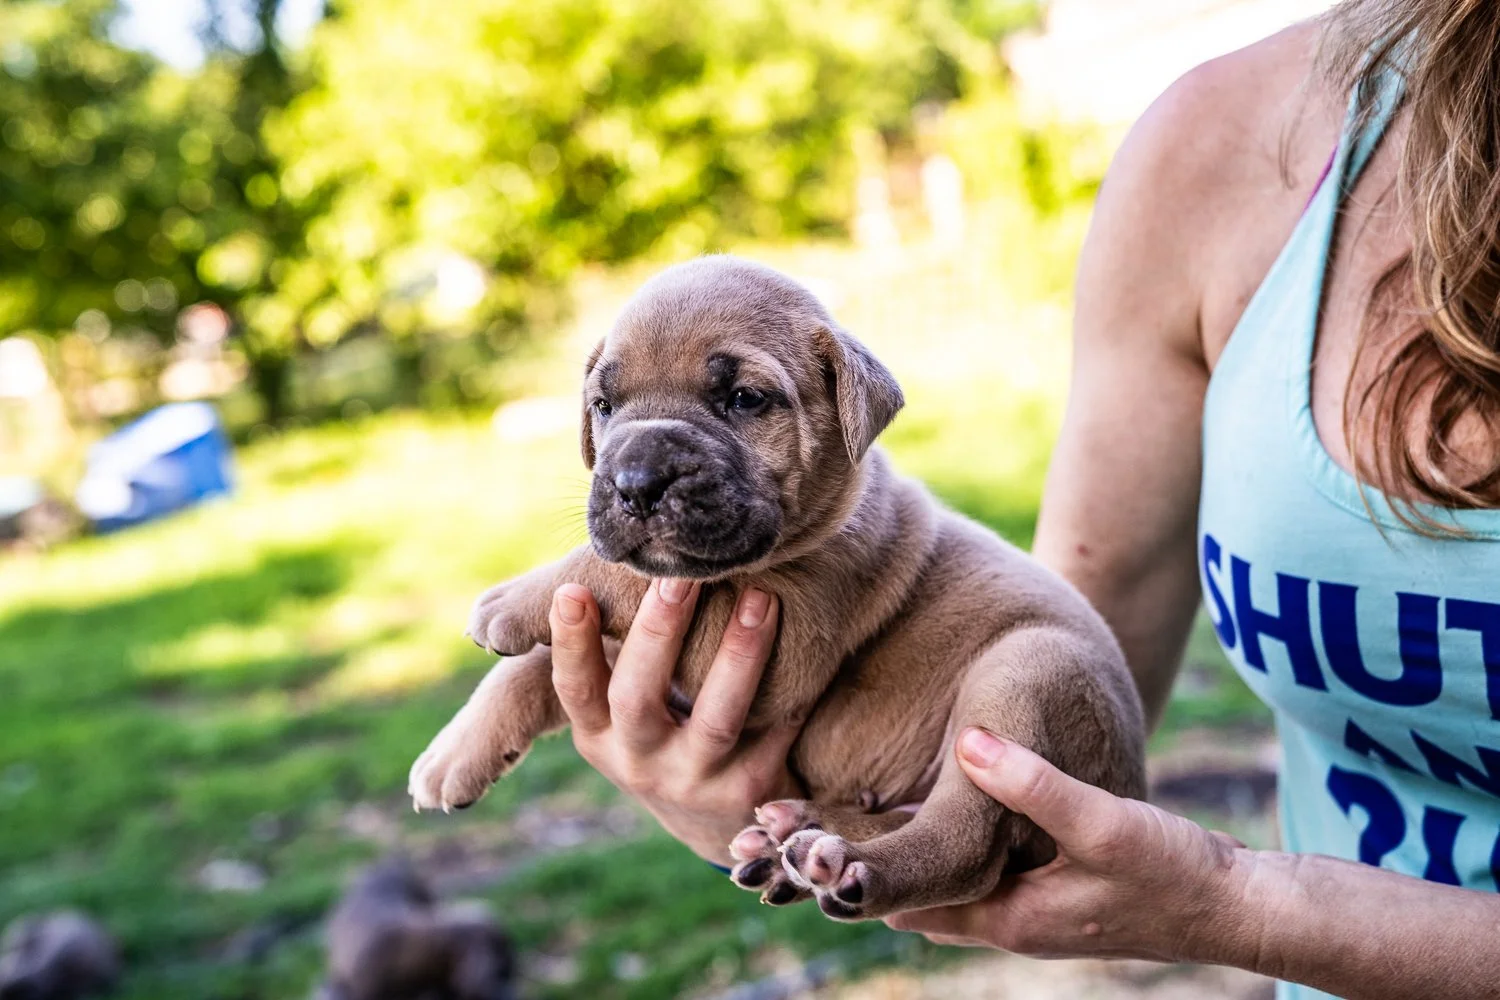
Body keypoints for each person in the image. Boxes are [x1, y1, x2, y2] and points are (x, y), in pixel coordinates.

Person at [540, 2, 1500, 997]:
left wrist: (1242, 906)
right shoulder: (1222, 151)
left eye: (741, 398)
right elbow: (1050, 699)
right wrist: (756, 802)